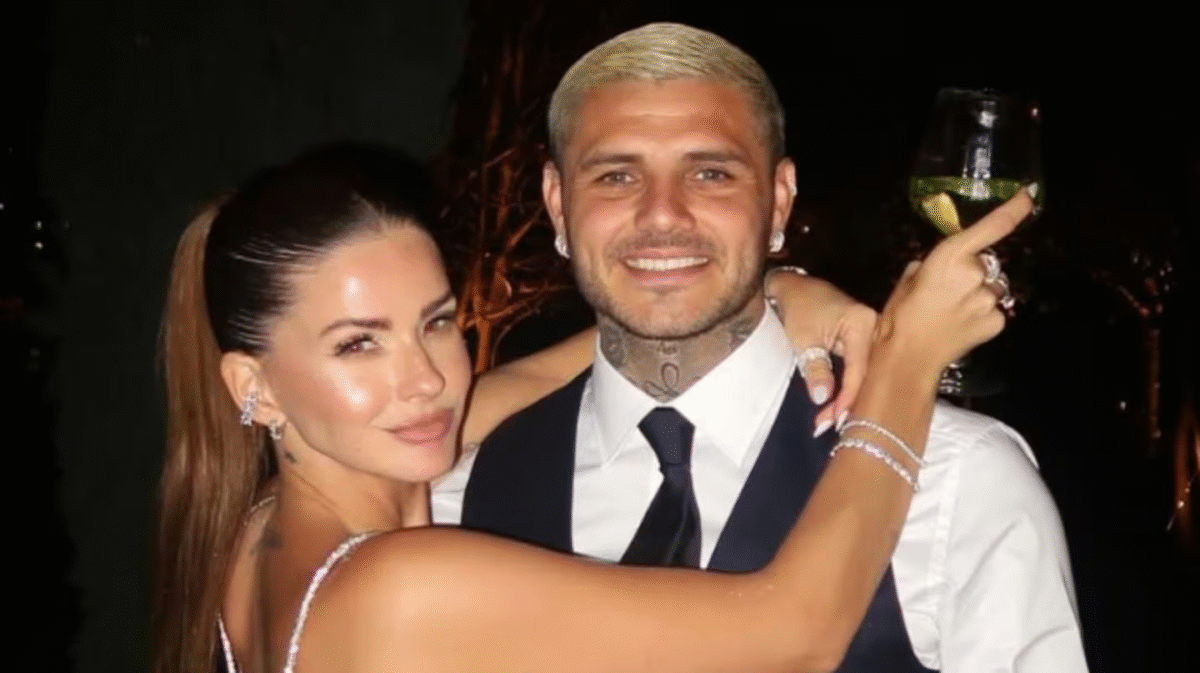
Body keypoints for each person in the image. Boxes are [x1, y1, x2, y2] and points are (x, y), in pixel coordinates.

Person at [153, 140, 1020, 673]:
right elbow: (798, 631)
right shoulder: (395, 587)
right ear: (252, 384)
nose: (425, 380)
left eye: (437, 322)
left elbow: (535, 378)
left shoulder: (258, 532)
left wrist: (771, 295)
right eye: (357, 344)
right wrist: (908, 362)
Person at [434, 22, 1088, 673]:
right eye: (616, 176)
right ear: (557, 204)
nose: (662, 213)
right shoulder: (457, 494)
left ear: (778, 201)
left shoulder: (960, 482)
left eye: (711, 173)